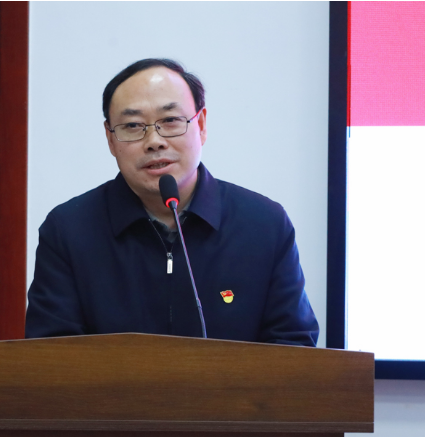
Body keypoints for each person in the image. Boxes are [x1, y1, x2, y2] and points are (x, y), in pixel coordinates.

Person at [25, 58, 319, 346]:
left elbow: (293, 346)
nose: (154, 141)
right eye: (132, 125)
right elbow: (51, 354)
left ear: (200, 125)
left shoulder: (264, 225)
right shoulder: (69, 230)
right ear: (110, 139)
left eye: (170, 121)